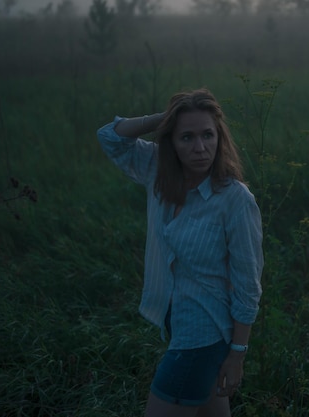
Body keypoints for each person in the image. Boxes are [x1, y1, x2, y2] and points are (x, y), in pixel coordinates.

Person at [97, 89, 264, 417]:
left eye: (208, 135)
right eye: (186, 137)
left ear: (220, 137)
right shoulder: (158, 172)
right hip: (180, 326)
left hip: (204, 336)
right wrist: (165, 118)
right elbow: (109, 137)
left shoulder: (234, 199)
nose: (200, 148)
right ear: (170, 142)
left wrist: (237, 354)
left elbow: (248, 284)